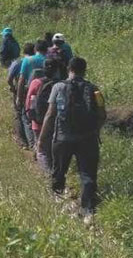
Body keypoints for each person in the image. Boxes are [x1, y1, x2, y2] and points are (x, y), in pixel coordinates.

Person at [37, 57, 107, 224]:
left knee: (59, 171)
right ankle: (88, 211)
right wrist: (94, 130)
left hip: (62, 138)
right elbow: (103, 115)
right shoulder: (94, 89)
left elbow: (50, 114)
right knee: (88, 174)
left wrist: (41, 139)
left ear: (69, 69)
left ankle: (59, 205)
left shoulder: (58, 87)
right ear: (85, 70)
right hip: (88, 139)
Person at [25, 59, 61, 172]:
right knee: (53, 150)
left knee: (42, 150)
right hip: (56, 123)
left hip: (39, 122)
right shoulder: (61, 84)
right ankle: (56, 174)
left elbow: (28, 102)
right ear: (57, 70)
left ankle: (47, 175)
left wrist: (29, 116)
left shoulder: (36, 83)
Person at [17, 39, 49, 150]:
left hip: (32, 93)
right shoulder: (51, 60)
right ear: (47, 49)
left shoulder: (28, 60)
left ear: (35, 49)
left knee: (27, 117)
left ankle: (33, 144)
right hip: (49, 93)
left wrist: (18, 97)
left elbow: (21, 80)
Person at [8, 42, 35, 149]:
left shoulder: (17, 63)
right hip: (34, 92)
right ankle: (33, 140)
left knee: (20, 114)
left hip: (21, 91)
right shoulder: (38, 61)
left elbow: (9, 79)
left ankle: (24, 142)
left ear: (23, 52)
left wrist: (13, 88)